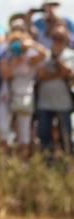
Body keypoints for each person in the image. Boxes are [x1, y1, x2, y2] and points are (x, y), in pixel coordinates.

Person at [0, 29, 45, 156]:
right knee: (3, 129)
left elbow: (44, 54)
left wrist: (32, 44)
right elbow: (4, 75)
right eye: (14, 43)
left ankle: (23, 163)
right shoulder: (7, 56)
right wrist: (15, 60)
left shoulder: (31, 57)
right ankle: (4, 161)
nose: (18, 47)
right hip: (7, 97)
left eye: (19, 43)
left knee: (24, 131)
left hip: (25, 97)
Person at [34, 24, 74, 156]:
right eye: (55, 37)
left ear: (66, 38)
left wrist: (57, 60)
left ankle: (67, 163)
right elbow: (40, 75)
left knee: (65, 136)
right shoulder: (45, 54)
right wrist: (58, 74)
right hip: (45, 102)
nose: (57, 40)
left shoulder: (71, 54)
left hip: (64, 103)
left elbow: (69, 73)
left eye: (60, 37)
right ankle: (47, 163)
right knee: (44, 134)